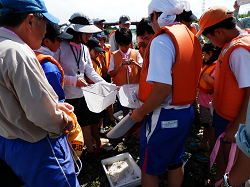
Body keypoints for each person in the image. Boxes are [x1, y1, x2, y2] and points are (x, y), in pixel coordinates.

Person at [0, 0, 80, 186]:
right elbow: (43, 116)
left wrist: (52, 105)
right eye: (44, 23)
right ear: (30, 21)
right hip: (38, 148)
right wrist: (65, 119)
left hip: (10, 142)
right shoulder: (18, 53)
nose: (45, 31)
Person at [130, 0, 202, 186]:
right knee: (175, 161)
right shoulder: (190, 35)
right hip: (186, 112)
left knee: (149, 167)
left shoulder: (161, 41)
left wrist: (139, 113)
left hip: (164, 115)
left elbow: (162, 90)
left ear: (156, 15)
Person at [196, 5, 250, 186]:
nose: (209, 41)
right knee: (222, 158)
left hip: (233, 121)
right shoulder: (232, 45)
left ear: (218, 32)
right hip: (225, 116)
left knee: (229, 162)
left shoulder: (239, 52)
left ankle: (221, 182)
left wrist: (236, 126)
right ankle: (218, 180)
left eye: (208, 36)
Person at [54, 12, 107, 155]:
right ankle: (71, 157)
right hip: (66, 97)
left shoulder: (84, 48)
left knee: (86, 124)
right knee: (68, 128)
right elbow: (54, 73)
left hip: (82, 94)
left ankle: (90, 151)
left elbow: (90, 71)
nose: (90, 36)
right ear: (76, 31)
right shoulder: (60, 46)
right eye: (86, 33)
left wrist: (104, 84)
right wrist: (73, 81)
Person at [189, 42, 221, 163]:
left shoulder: (217, 67)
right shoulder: (207, 64)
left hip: (210, 104)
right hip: (204, 102)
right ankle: (203, 143)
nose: (204, 56)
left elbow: (220, 86)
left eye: (205, 54)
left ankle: (211, 153)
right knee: (205, 125)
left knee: (211, 128)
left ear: (211, 53)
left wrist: (209, 80)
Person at [108, 28, 143, 117]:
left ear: (130, 42)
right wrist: (119, 66)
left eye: (127, 45)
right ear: (118, 44)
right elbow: (111, 74)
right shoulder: (114, 55)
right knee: (125, 113)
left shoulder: (136, 53)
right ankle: (128, 130)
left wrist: (135, 64)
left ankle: (137, 130)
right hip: (122, 91)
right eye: (121, 45)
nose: (124, 48)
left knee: (137, 112)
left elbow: (143, 71)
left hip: (136, 90)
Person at [34, 21, 72, 102]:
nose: (61, 42)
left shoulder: (28, 55)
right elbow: (57, 103)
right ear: (47, 41)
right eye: (59, 39)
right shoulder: (50, 69)